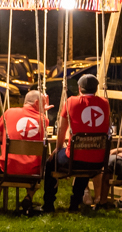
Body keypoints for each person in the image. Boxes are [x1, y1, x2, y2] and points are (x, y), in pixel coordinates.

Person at [42, 74, 110, 213]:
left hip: (75, 160)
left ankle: (49, 203)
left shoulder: (71, 102)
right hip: (98, 161)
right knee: (83, 156)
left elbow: (61, 128)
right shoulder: (105, 103)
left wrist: (58, 148)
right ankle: (75, 202)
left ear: (79, 88)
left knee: (51, 162)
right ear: (96, 89)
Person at [0, 90, 48, 214]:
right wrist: (43, 113)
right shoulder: (43, 120)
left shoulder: (9, 113)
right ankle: (28, 197)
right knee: (40, 165)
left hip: (8, 167)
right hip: (32, 171)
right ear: (37, 103)